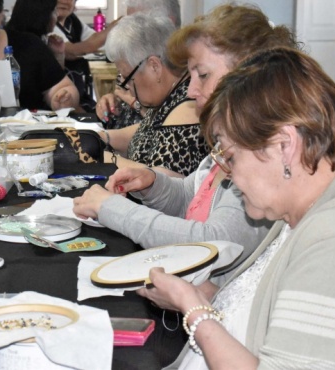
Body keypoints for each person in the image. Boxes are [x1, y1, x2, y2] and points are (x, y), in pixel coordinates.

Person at [138, 47, 335, 369]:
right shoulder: (306, 205)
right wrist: (207, 295)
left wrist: (193, 309)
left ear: (284, 146)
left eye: (231, 157)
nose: (227, 175)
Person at [74, 4, 296, 280]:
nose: (190, 90)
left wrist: (110, 208)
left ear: (250, 76)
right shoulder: (229, 141)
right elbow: (191, 196)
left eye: (202, 75)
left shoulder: (263, 155)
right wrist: (152, 183)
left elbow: (212, 241)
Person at [97, 13, 203, 176]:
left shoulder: (188, 107)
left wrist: (101, 157)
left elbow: (163, 181)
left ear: (154, 66)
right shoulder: (170, 95)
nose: (127, 87)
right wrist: (98, 138)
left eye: (128, 78)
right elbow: (144, 135)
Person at [97, 0, 181, 130]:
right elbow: (122, 94)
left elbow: (163, 130)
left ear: (168, 22)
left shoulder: (182, 69)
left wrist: (135, 104)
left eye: (139, 22)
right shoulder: (135, 58)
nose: (128, 30)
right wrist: (112, 102)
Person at [53, 0, 119, 112]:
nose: (63, 1)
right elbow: (73, 50)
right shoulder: (48, 24)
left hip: (80, 93)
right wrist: (112, 28)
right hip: (60, 95)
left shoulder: (73, 21)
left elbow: (94, 40)